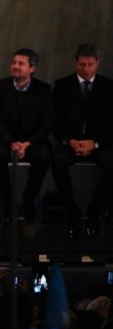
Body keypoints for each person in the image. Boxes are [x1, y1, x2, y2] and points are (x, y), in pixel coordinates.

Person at [51, 43, 113, 239]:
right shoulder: (62, 85)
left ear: (97, 64)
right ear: (76, 63)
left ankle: (96, 211)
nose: (86, 69)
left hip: (99, 143)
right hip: (71, 142)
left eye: (90, 65)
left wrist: (94, 143)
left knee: (111, 163)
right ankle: (72, 211)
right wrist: (69, 140)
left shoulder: (108, 87)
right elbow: (55, 119)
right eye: (82, 64)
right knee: (57, 161)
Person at [0, 48, 53, 220]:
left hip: (32, 142)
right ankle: (7, 197)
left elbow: (46, 124)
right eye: (14, 62)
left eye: (20, 63)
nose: (15, 66)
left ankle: (29, 198)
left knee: (44, 155)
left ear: (32, 68)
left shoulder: (44, 90)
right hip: (5, 140)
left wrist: (27, 144)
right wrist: (11, 143)